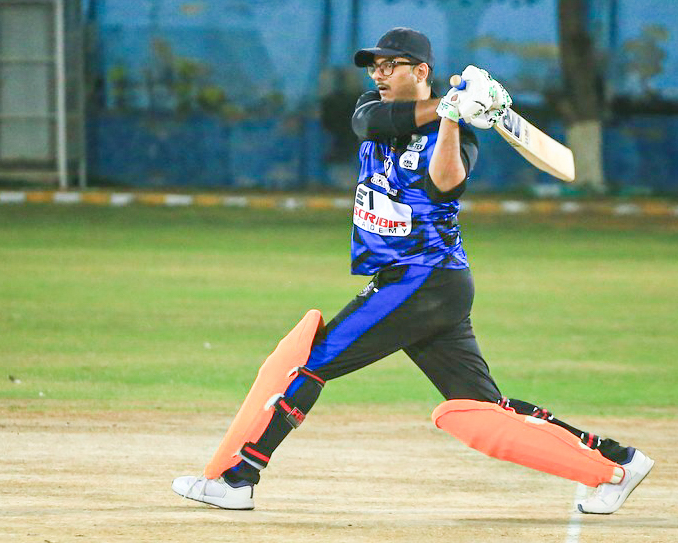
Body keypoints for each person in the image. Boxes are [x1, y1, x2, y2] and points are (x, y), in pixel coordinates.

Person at [172, 28, 652, 514]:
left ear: (420, 71)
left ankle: (239, 478)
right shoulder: (372, 109)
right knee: (483, 410)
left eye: (390, 66)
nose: (378, 75)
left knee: (311, 364)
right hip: (424, 284)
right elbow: (368, 123)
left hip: (423, 278)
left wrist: (452, 120)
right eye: (374, 67)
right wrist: (448, 104)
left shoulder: (458, 134)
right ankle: (618, 462)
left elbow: (445, 184)